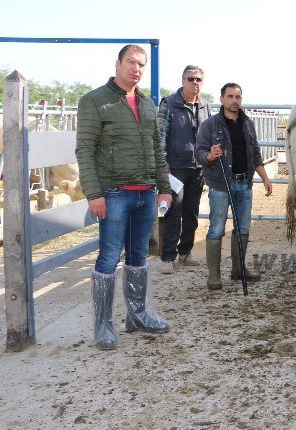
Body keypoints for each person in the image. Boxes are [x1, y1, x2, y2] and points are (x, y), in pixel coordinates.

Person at [76, 44, 173, 351]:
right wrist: (94, 193)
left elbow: (157, 150)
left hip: (146, 193)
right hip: (114, 193)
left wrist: (165, 188)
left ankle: (137, 315)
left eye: (141, 64)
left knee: (138, 257)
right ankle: (103, 326)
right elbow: (85, 150)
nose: (136, 68)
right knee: (108, 257)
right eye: (130, 62)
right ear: (117, 64)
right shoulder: (94, 101)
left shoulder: (146, 103)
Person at [195, 83, 273, 290]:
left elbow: (255, 152)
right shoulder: (210, 125)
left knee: (243, 228)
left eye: (238, 97)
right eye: (230, 96)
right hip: (221, 184)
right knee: (217, 228)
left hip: (244, 183)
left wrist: (264, 177)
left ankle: (238, 270)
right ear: (222, 99)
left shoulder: (247, 124)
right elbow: (199, 153)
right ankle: (214, 276)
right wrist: (210, 156)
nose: (234, 100)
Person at [157, 65, 211, 274]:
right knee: (173, 210)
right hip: (176, 168)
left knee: (192, 211)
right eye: (190, 79)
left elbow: (208, 135)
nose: (194, 83)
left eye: (198, 79)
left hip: (198, 167)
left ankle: (185, 252)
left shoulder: (205, 106)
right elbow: (160, 136)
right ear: (182, 81)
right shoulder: (169, 104)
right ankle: (168, 257)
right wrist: (164, 166)